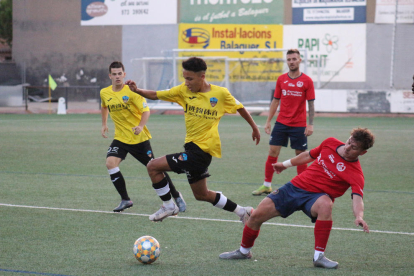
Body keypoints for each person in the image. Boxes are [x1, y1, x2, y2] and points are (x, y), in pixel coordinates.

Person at [125, 57, 261, 222]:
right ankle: (243, 212)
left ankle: (168, 206)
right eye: (185, 78)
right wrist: (137, 90)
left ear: (202, 76)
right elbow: (156, 94)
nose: (186, 82)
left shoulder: (220, 93)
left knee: (153, 166)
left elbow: (240, 107)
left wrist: (254, 127)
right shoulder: (183, 91)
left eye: (190, 78)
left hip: (201, 152)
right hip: (192, 150)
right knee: (202, 195)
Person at [220, 128, 375, 269]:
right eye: (349, 142)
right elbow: (308, 155)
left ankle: (319, 257)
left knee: (326, 204)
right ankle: (243, 251)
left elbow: (357, 198)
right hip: (295, 187)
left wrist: (359, 216)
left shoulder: (356, 174)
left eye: (354, 147)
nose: (347, 147)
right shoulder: (330, 143)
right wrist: (285, 164)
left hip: (316, 198)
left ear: (362, 152)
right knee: (255, 216)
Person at [100, 61, 186, 213]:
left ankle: (176, 195)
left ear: (124, 74)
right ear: (110, 76)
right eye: (114, 74)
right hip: (120, 138)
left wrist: (140, 126)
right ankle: (125, 199)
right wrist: (104, 124)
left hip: (138, 139)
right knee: (110, 163)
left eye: (120, 73)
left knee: (156, 168)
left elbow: (146, 111)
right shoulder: (104, 93)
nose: (117, 76)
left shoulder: (133, 92)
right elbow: (104, 106)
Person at [252, 49, 315, 196]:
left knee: (301, 155)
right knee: (272, 152)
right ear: (286, 61)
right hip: (281, 123)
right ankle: (267, 185)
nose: (291, 62)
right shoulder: (281, 79)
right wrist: (268, 121)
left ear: (300, 60)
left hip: (299, 124)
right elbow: (275, 101)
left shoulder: (307, 81)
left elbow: (311, 104)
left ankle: (302, 186)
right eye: (289, 59)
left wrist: (310, 124)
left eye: (294, 59)